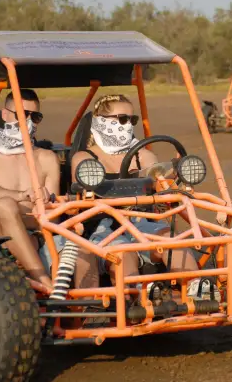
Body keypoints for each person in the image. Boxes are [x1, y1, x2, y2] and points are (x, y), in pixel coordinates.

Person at [71, 94, 217, 300]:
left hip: (141, 222)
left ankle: (197, 287)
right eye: (121, 119)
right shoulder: (84, 158)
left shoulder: (142, 154)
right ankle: (140, 295)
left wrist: (170, 173)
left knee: (170, 240)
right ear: (100, 121)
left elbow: (155, 173)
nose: (128, 125)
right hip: (104, 226)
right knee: (122, 252)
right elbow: (81, 189)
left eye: (132, 120)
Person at [0, 89, 95, 291]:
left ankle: (89, 311)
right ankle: (44, 281)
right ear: (5, 114)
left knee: (85, 253)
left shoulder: (46, 158)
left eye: (35, 116)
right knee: (4, 206)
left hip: (39, 229)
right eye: (22, 114)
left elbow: (52, 217)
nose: (28, 121)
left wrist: (48, 201)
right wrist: (21, 195)